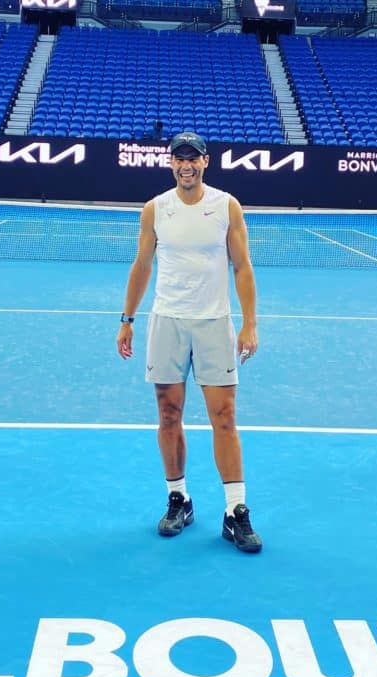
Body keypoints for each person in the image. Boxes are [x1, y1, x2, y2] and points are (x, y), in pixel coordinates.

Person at [115, 131, 262, 553]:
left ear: (204, 162)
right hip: (167, 322)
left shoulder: (226, 205)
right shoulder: (155, 209)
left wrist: (249, 323)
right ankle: (179, 498)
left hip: (215, 323)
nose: (186, 165)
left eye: (192, 158)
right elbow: (142, 265)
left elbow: (242, 266)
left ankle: (236, 510)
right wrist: (127, 319)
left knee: (224, 416)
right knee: (168, 414)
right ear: (170, 163)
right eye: (179, 159)